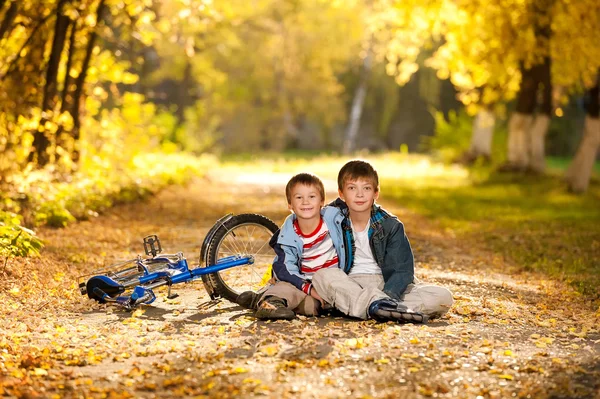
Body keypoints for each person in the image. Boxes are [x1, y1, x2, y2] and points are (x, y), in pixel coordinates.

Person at [310, 160, 454, 322]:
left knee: (442, 297)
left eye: (366, 188)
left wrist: (388, 295)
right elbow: (301, 244)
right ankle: (384, 308)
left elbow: (402, 271)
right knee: (323, 275)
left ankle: (370, 307)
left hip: (385, 283)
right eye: (352, 188)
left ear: (376, 193)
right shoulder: (328, 219)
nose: (359, 194)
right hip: (348, 282)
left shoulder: (390, 225)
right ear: (341, 194)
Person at [237, 172, 346, 320]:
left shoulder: (333, 218)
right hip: (301, 282)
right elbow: (285, 270)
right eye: (299, 197)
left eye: (312, 197)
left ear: (322, 201)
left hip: (330, 283)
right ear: (290, 204)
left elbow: (354, 201)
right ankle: (271, 303)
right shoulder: (288, 234)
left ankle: (262, 299)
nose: (305, 202)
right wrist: (308, 288)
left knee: (312, 306)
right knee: (288, 288)